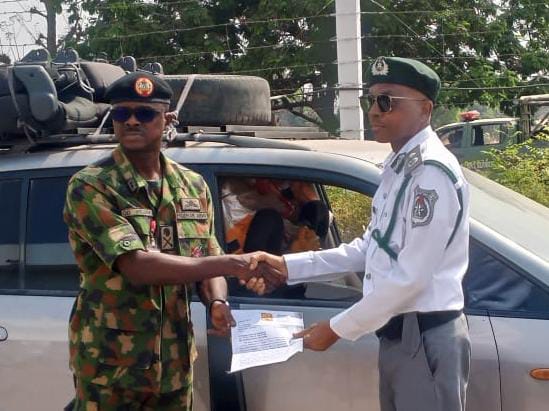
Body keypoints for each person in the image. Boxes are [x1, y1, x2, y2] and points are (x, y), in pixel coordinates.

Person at [247, 57, 471, 411]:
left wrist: (337, 328)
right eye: (371, 100)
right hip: (400, 333)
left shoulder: (430, 174)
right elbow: (370, 248)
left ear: (426, 109)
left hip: (423, 334)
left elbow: (410, 279)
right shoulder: (400, 166)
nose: (375, 111)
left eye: (388, 101)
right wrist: (288, 265)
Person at [63, 71, 260, 410]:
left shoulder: (193, 186)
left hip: (174, 365)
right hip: (111, 368)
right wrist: (232, 263)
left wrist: (216, 303)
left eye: (145, 113)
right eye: (122, 113)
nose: (132, 122)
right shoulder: (92, 185)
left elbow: (206, 256)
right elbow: (137, 266)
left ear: (168, 118)